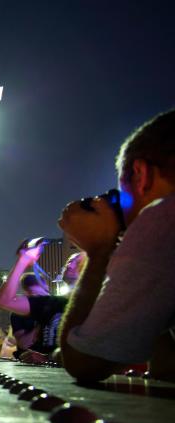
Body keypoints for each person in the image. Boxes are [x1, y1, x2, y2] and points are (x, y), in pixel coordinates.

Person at [57, 109, 175, 382]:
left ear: (140, 174)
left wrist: (99, 252)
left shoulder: (162, 218)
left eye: (122, 193)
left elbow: (84, 362)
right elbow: (166, 364)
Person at [0, 245, 66, 358]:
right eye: (33, 296)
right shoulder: (49, 303)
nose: (36, 298)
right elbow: (24, 344)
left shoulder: (61, 302)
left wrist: (23, 260)